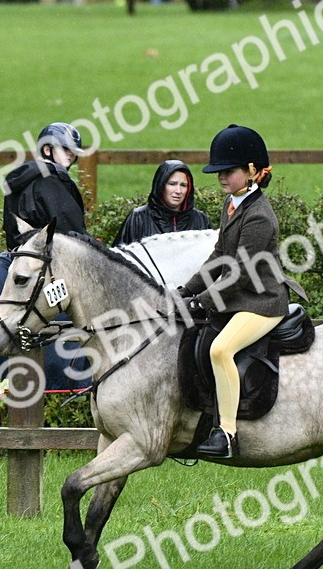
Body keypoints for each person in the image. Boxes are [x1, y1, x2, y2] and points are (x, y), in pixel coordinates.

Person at [178, 125, 290, 459]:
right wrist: (185, 289)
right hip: (241, 299)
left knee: (220, 349)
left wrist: (201, 301)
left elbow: (238, 273)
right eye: (219, 172)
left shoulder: (259, 217)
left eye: (229, 171)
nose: (221, 177)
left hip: (263, 303)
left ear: (252, 171)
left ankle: (227, 434)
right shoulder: (233, 203)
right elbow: (219, 257)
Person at [2, 122, 88, 251]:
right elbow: (69, 232)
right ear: (47, 150)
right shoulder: (50, 182)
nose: (70, 154)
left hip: (18, 255)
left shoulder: (24, 177)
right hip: (47, 257)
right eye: (64, 149)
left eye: (73, 151)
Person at [112, 160, 211, 246]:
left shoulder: (201, 220)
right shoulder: (138, 218)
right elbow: (119, 261)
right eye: (172, 184)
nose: (178, 190)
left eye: (183, 185)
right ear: (161, 186)